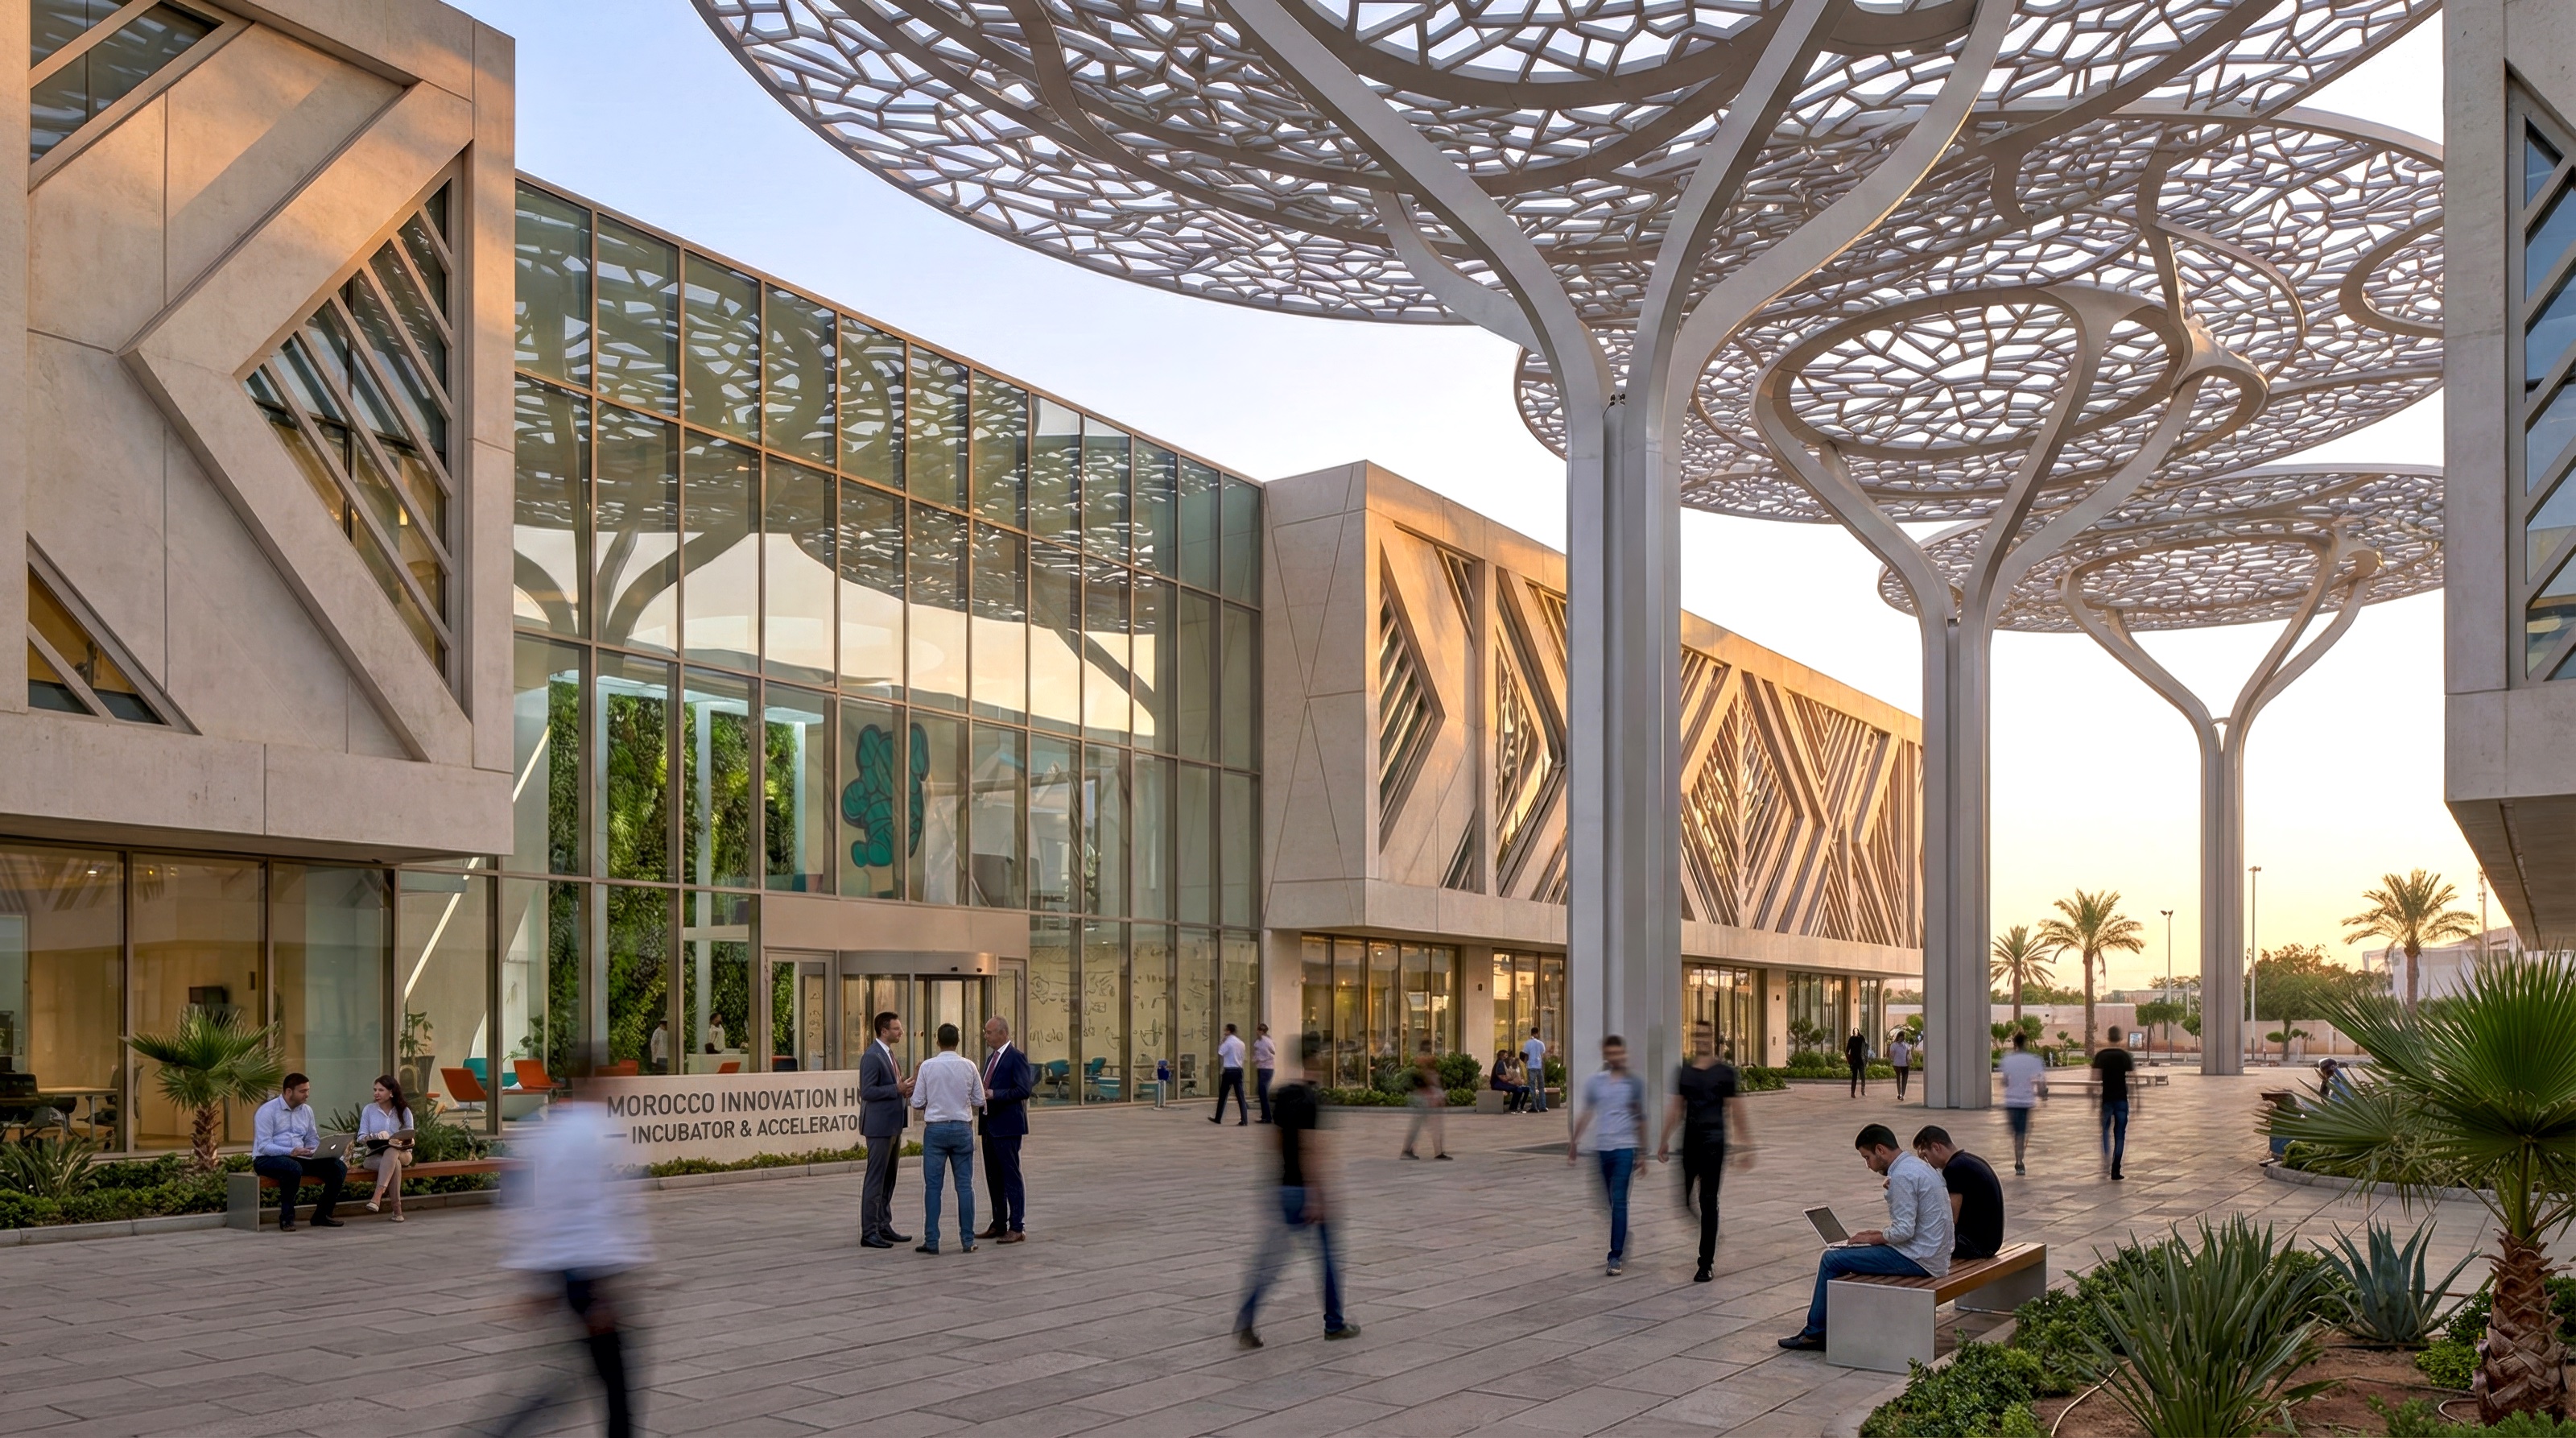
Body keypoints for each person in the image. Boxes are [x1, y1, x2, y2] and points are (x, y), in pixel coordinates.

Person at [487, 1089, 650, 1438]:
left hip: (565, 1271)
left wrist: (539, 1278)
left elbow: (538, 1206)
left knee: (586, 1379)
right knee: (610, 1381)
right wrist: (603, 1291)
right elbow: (593, 1211)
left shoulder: (556, 1135)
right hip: (587, 1276)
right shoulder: (591, 1133)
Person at [1777, 1124, 1952, 1351]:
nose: (1868, 1164)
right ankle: (1834, 1324)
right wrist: (1876, 1233)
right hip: (1933, 1254)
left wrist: (1875, 1238)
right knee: (1850, 1250)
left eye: (1867, 1157)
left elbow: (1903, 1231)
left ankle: (1816, 1333)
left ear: (1880, 1150)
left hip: (1920, 1259)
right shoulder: (1918, 1167)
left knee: (1832, 1259)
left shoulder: (1902, 1175)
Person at [1236, 1032, 1359, 1346]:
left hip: (1283, 1189)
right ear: (1317, 1061)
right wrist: (1318, 1197)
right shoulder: (1311, 1099)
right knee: (1329, 1258)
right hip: (1306, 1192)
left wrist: (1274, 1185)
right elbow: (1310, 1150)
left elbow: (1275, 1143)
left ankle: (1246, 1319)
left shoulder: (1283, 1095)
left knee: (1271, 1260)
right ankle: (1334, 1323)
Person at [1657, 1020, 1754, 1283]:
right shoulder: (1685, 1071)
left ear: (1713, 1040)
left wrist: (1745, 1145)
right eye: (1697, 1035)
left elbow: (1736, 1110)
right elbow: (1676, 1108)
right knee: (1684, 1200)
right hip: (1690, 1143)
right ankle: (1709, 1230)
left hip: (1714, 1143)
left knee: (1708, 1201)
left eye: (1706, 1036)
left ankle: (1705, 1263)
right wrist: (1664, 1139)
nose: (1701, 1039)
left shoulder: (1725, 1072)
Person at [1567, 1035, 1648, 1277]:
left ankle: (1615, 1255)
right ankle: (1621, 1232)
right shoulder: (1597, 1082)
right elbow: (1587, 1112)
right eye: (1610, 1054)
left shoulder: (1633, 1084)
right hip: (1603, 1149)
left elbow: (1640, 1118)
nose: (1614, 1058)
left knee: (1620, 1201)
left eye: (1618, 1053)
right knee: (1608, 1203)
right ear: (1605, 1055)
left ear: (1623, 1054)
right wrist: (1574, 1142)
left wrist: (1642, 1153)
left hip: (1625, 1148)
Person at [910, 1022, 985, 1254]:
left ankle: (932, 1241)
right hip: (962, 1128)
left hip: (935, 1130)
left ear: (937, 1041)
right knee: (964, 1186)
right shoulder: (969, 1066)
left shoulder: (927, 1067)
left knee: (933, 1187)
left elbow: (916, 1102)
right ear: (958, 1042)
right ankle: (967, 1240)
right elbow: (980, 1100)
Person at [250, 1072, 345, 1232]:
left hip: (299, 1156)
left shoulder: (307, 1111)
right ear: (288, 1092)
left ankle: (321, 1215)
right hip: (266, 1159)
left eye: (308, 1090)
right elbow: (264, 1146)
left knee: (338, 1167)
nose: (307, 1095)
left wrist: (318, 1151)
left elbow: (312, 1138)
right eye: (302, 1091)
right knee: (292, 1167)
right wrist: (290, 1151)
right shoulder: (267, 1111)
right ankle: (287, 1218)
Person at [858, 1011, 914, 1249]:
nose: (901, 1032)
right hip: (879, 1126)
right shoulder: (872, 1056)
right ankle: (869, 1231)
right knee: (876, 1179)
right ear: (883, 1030)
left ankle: (883, 1224)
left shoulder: (889, 1054)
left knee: (889, 1179)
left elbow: (893, 1087)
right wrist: (897, 1088)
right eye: (896, 1029)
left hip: (893, 1124)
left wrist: (905, 1089)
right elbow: (867, 1092)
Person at [977, 1015, 1032, 1245]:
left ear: (1003, 1033)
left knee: (1010, 1176)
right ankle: (998, 1223)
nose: (986, 1036)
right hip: (989, 1125)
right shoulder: (991, 1058)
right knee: (993, 1177)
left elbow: (1023, 1090)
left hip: (1007, 1126)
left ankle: (1017, 1226)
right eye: (985, 1032)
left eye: (989, 1033)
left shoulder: (1015, 1057)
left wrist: (994, 1094)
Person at [1912, 1126, 2003, 1262]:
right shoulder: (1970, 1160)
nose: (1926, 1163)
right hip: (1989, 1243)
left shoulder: (1954, 1169)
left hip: (1974, 1246)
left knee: (1910, 1243)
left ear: (1936, 1147)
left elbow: (1950, 1217)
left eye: (1924, 1156)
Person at [357, 1074, 415, 1221]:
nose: (376, 1093)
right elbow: (361, 1137)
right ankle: (397, 1211)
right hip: (375, 1155)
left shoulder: (404, 1111)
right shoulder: (369, 1110)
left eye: (381, 1090)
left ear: (391, 1092)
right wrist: (376, 1136)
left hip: (403, 1153)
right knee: (394, 1163)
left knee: (393, 1148)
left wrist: (399, 1141)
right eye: (375, 1090)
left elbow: (410, 1136)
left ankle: (377, 1196)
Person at [1999, 1031, 2048, 1175]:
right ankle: (2020, 1160)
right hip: (2026, 1101)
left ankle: (2018, 1159)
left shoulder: (2007, 1060)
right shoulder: (2033, 1060)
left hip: (2011, 1100)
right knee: (2022, 1132)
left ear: (2014, 1044)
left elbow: (2005, 1080)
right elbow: (2040, 1081)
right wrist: (2042, 1095)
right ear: (2025, 1043)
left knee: (2016, 1133)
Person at [2093, 1026, 2135, 1180]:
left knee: (2105, 1131)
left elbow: (2095, 1079)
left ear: (2108, 1037)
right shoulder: (2125, 1056)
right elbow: (2133, 1079)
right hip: (2122, 1100)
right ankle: (2116, 1168)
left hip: (2107, 1100)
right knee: (2120, 1135)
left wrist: (2093, 1098)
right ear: (2120, 1038)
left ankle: (2105, 1162)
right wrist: (2137, 1101)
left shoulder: (2101, 1056)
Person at [1401, 1040, 1450, 1160]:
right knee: (1432, 1126)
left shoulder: (1423, 1062)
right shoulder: (1424, 1062)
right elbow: (1428, 1080)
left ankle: (1436, 1152)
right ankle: (1409, 1151)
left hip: (1426, 1098)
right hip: (1427, 1099)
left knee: (1427, 1126)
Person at [1212, 1023, 1249, 1125]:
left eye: (1225, 1030)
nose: (1224, 1032)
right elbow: (1242, 1057)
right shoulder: (1241, 1043)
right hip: (1238, 1070)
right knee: (1240, 1096)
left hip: (1229, 1071)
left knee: (1223, 1095)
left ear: (1229, 1031)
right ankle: (1244, 1119)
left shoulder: (1228, 1042)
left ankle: (1218, 1118)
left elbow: (1220, 1052)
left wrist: (1222, 1042)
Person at [1491, 1048, 1530, 1113]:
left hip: (1500, 1083)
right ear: (1501, 1056)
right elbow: (1503, 1078)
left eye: (1507, 1055)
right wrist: (1512, 1080)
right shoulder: (1500, 1062)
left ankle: (1514, 1107)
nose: (1507, 1057)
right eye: (1505, 1055)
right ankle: (1515, 1107)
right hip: (1498, 1084)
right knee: (1518, 1089)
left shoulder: (1503, 1063)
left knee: (1520, 1088)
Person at [1253, 1023, 1278, 1123]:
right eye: (1258, 1030)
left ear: (1264, 1032)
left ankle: (1267, 1117)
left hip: (1267, 1069)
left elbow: (1272, 1053)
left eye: (1260, 1031)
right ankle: (1265, 1116)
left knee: (1263, 1092)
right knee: (1261, 1092)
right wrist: (1256, 1059)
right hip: (1261, 1068)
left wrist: (1261, 1059)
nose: (1258, 1032)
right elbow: (1257, 1053)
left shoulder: (1267, 1041)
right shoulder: (1258, 1042)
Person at [1521, 1027, 1550, 1115]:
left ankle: (1534, 1106)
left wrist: (1525, 1065)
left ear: (1531, 1033)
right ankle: (1543, 1106)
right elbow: (1542, 1053)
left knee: (1532, 1086)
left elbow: (1525, 1054)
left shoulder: (1528, 1043)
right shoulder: (1541, 1043)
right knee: (1541, 1086)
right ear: (1537, 1033)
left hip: (1531, 1066)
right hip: (1539, 1066)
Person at [1888, 1031, 1913, 1101]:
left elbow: (1891, 1056)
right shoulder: (1907, 1045)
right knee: (1904, 1080)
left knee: (1898, 1079)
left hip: (1897, 1064)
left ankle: (1900, 1093)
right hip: (1904, 1064)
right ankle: (1902, 1094)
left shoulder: (1894, 1045)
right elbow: (1909, 1055)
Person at [1846, 1031, 1870, 1097]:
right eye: (1854, 1032)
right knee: (1854, 1077)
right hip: (1854, 1061)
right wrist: (1849, 1059)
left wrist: (1865, 1059)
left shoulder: (1862, 1038)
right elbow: (1847, 1050)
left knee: (1863, 1077)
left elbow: (1865, 1048)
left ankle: (1863, 1091)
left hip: (1861, 1061)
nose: (1855, 1033)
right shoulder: (1851, 1039)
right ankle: (1852, 1092)